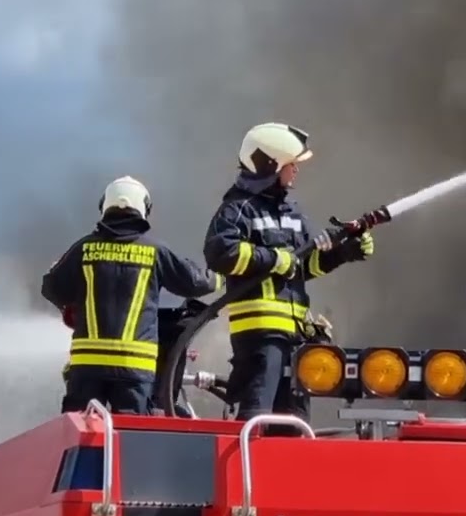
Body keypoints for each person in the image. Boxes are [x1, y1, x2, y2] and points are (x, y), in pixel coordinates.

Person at [203, 122, 374, 422]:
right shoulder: (238, 209)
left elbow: (304, 266)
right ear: (271, 164)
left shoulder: (292, 213)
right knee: (258, 416)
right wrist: (272, 259)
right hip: (259, 337)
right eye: (291, 164)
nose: (296, 170)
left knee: (294, 422)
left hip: (296, 336)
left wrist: (346, 252)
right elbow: (220, 253)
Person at [43, 176, 224, 415]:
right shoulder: (154, 251)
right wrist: (221, 276)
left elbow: (51, 287)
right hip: (134, 368)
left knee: (82, 428)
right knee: (130, 436)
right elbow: (195, 282)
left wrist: (71, 306)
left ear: (104, 207)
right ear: (143, 209)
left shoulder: (84, 249)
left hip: (88, 367)